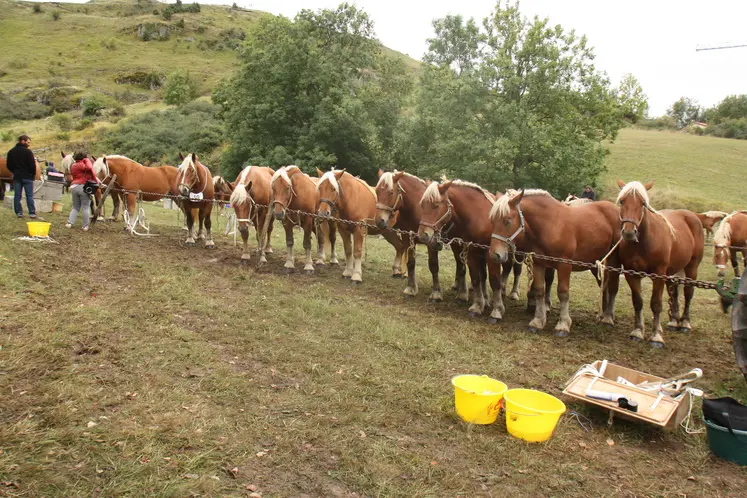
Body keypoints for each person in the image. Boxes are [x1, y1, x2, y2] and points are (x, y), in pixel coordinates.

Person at [66, 152, 100, 231]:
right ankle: (85, 226)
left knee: (75, 207)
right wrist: (87, 160)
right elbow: (90, 168)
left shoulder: (73, 165)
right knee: (85, 207)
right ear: (84, 158)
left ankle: (69, 223)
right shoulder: (83, 165)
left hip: (74, 187)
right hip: (83, 187)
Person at [5, 134, 37, 218]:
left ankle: (19, 212)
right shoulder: (28, 152)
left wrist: (15, 171)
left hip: (17, 176)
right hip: (27, 176)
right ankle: (32, 213)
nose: (29, 144)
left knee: (17, 195)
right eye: (28, 142)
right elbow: (32, 165)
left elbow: (8, 165)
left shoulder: (11, 152)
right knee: (29, 195)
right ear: (22, 141)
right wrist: (33, 174)